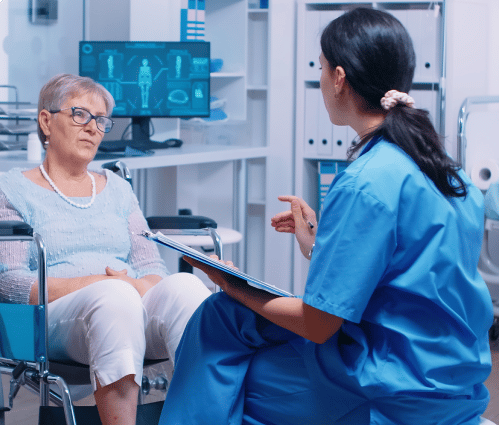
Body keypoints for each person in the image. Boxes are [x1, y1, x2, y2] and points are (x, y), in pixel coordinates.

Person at [158, 7, 493, 425]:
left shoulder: (364, 182)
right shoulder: (449, 174)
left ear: (339, 78)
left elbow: (318, 325)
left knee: (226, 338)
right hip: (448, 377)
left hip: (390, 389)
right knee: (225, 316)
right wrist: (316, 242)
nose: (320, 82)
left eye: (319, 69)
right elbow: (407, 281)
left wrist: (230, 283)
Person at [0, 73, 211, 425]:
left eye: (101, 121)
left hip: (126, 302)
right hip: (51, 320)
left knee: (187, 287)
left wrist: (140, 285)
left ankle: (198, 420)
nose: (93, 128)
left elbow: (150, 264)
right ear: (46, 121)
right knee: (114, 297)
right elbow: (10, 283)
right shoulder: (11, 189)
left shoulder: (117, 189)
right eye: (80, 114)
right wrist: (102, 282)